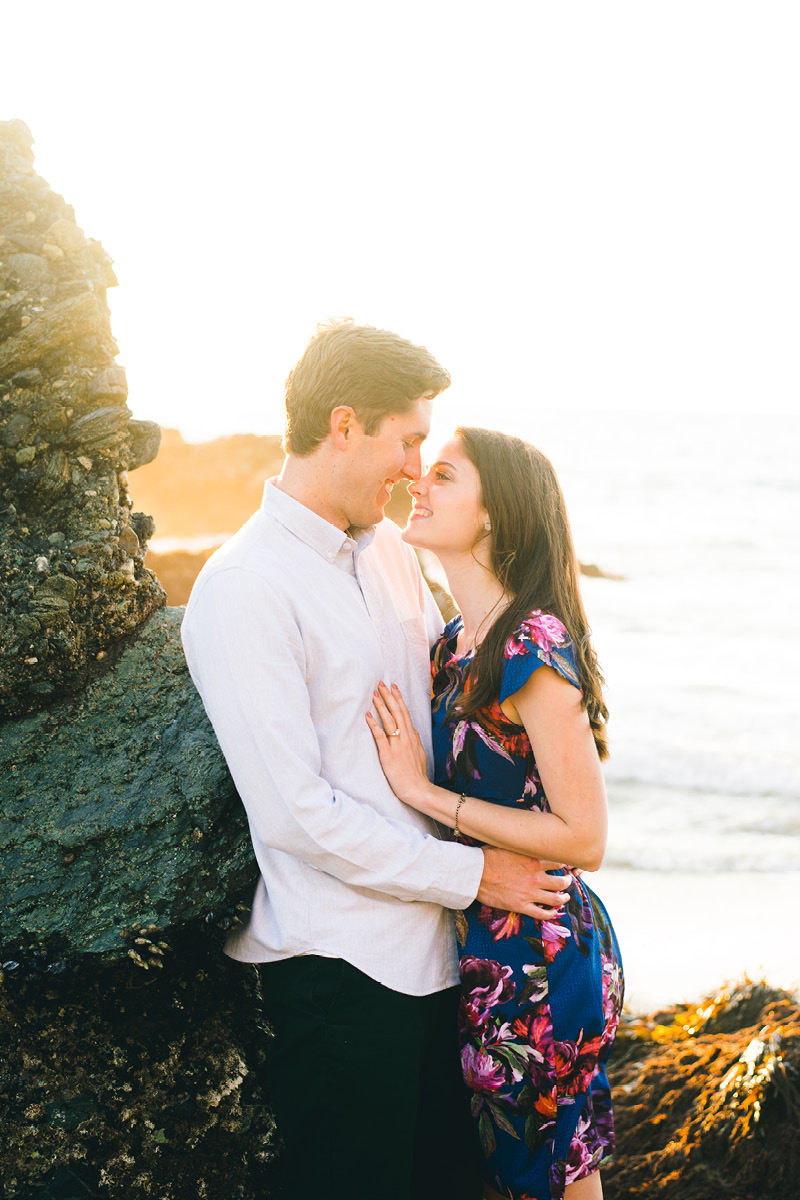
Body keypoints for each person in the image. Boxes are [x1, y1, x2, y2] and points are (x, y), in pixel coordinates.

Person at [180, 323, 573, 1200]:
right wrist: (478, 875)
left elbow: (472, 696)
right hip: (338, 979)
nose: (413, 466)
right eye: (407, 441)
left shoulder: (395, 554)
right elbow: (295, 814)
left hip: (444, 965)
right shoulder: (245, 586)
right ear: (344, 423)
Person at [366, 426, 625, 1200]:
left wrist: (424, 793)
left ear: (493, 516)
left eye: (443, 475)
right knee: (533, 1177)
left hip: (541, 955)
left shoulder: (531, 645)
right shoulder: (455, 646)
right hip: (489, 948)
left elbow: (585, 834)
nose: (420, 481)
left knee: (548, 1180)